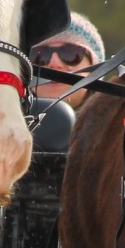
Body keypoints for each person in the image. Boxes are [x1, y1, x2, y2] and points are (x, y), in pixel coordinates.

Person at [28, 12, 106, 149]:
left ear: (95, 70)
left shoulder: (121, 130)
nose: (54, 63)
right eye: (39, 56)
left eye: (71, 54)